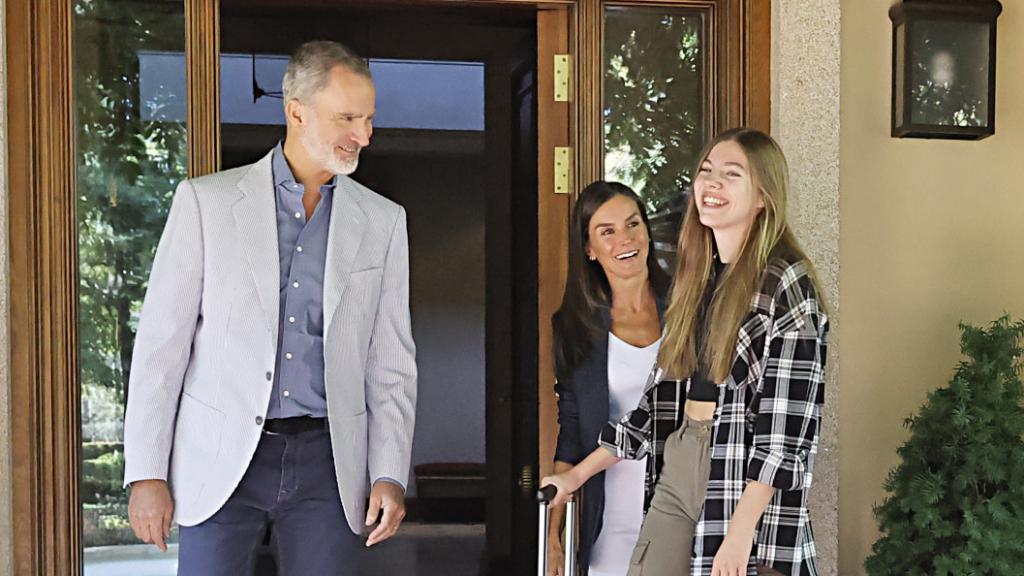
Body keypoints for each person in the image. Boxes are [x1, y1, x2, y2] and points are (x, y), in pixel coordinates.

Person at [122, 40, 417, 575]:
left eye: (369, 118)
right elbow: (161, 349)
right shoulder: (205, 203)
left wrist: (390, 473)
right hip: (218, 459)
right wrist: (147, 474)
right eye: (347, 117)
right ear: (296, 111)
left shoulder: (383, 221)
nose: (364, 135)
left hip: (330, 466)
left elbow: (391, 364)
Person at [542, 128, 829, 576]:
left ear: (762, 196)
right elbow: (654, 406)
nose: (712, 184)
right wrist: (574, 477)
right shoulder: (698, 277)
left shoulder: (785, 282)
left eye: (732, 175)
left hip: (737, 466)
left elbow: (786, 429)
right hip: (679, 463)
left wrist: (741, 532)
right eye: (706, 171)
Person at [548, 181, 671, 575]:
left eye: (633, 224)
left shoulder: (689, 308)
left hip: (683, 515)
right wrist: (553, 537)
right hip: (611, 523)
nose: (626, 239)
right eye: (608, 231)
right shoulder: (575, 328)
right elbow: (571, 436)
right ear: (589, 249)